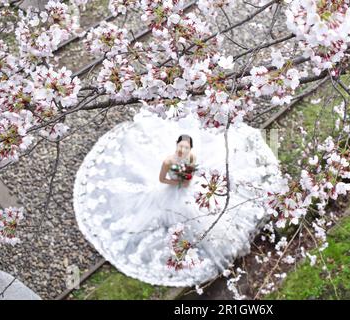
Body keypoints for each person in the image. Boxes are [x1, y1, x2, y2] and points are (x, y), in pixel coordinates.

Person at [73, 108, 283, 287]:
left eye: (186, 147)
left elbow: (191, 171)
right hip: (171, 191)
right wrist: (179, 181)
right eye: (181, 147)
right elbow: (163, 179)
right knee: (176, 215)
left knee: (210, 207)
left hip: (189, 186)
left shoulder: (191, 157)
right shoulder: (168, 160)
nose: (183, 150)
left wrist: (188, 178)